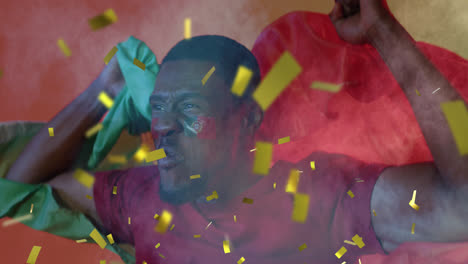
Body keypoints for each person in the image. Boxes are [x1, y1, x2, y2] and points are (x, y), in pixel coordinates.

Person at [6, 0, 468, 263]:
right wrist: (102, 92)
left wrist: (384, 33)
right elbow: (18, 192)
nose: (161, 127)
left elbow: (462, 202)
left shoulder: (319, 195)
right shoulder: (139, 198)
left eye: (188, 108)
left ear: (246, 121)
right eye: (157, 107)